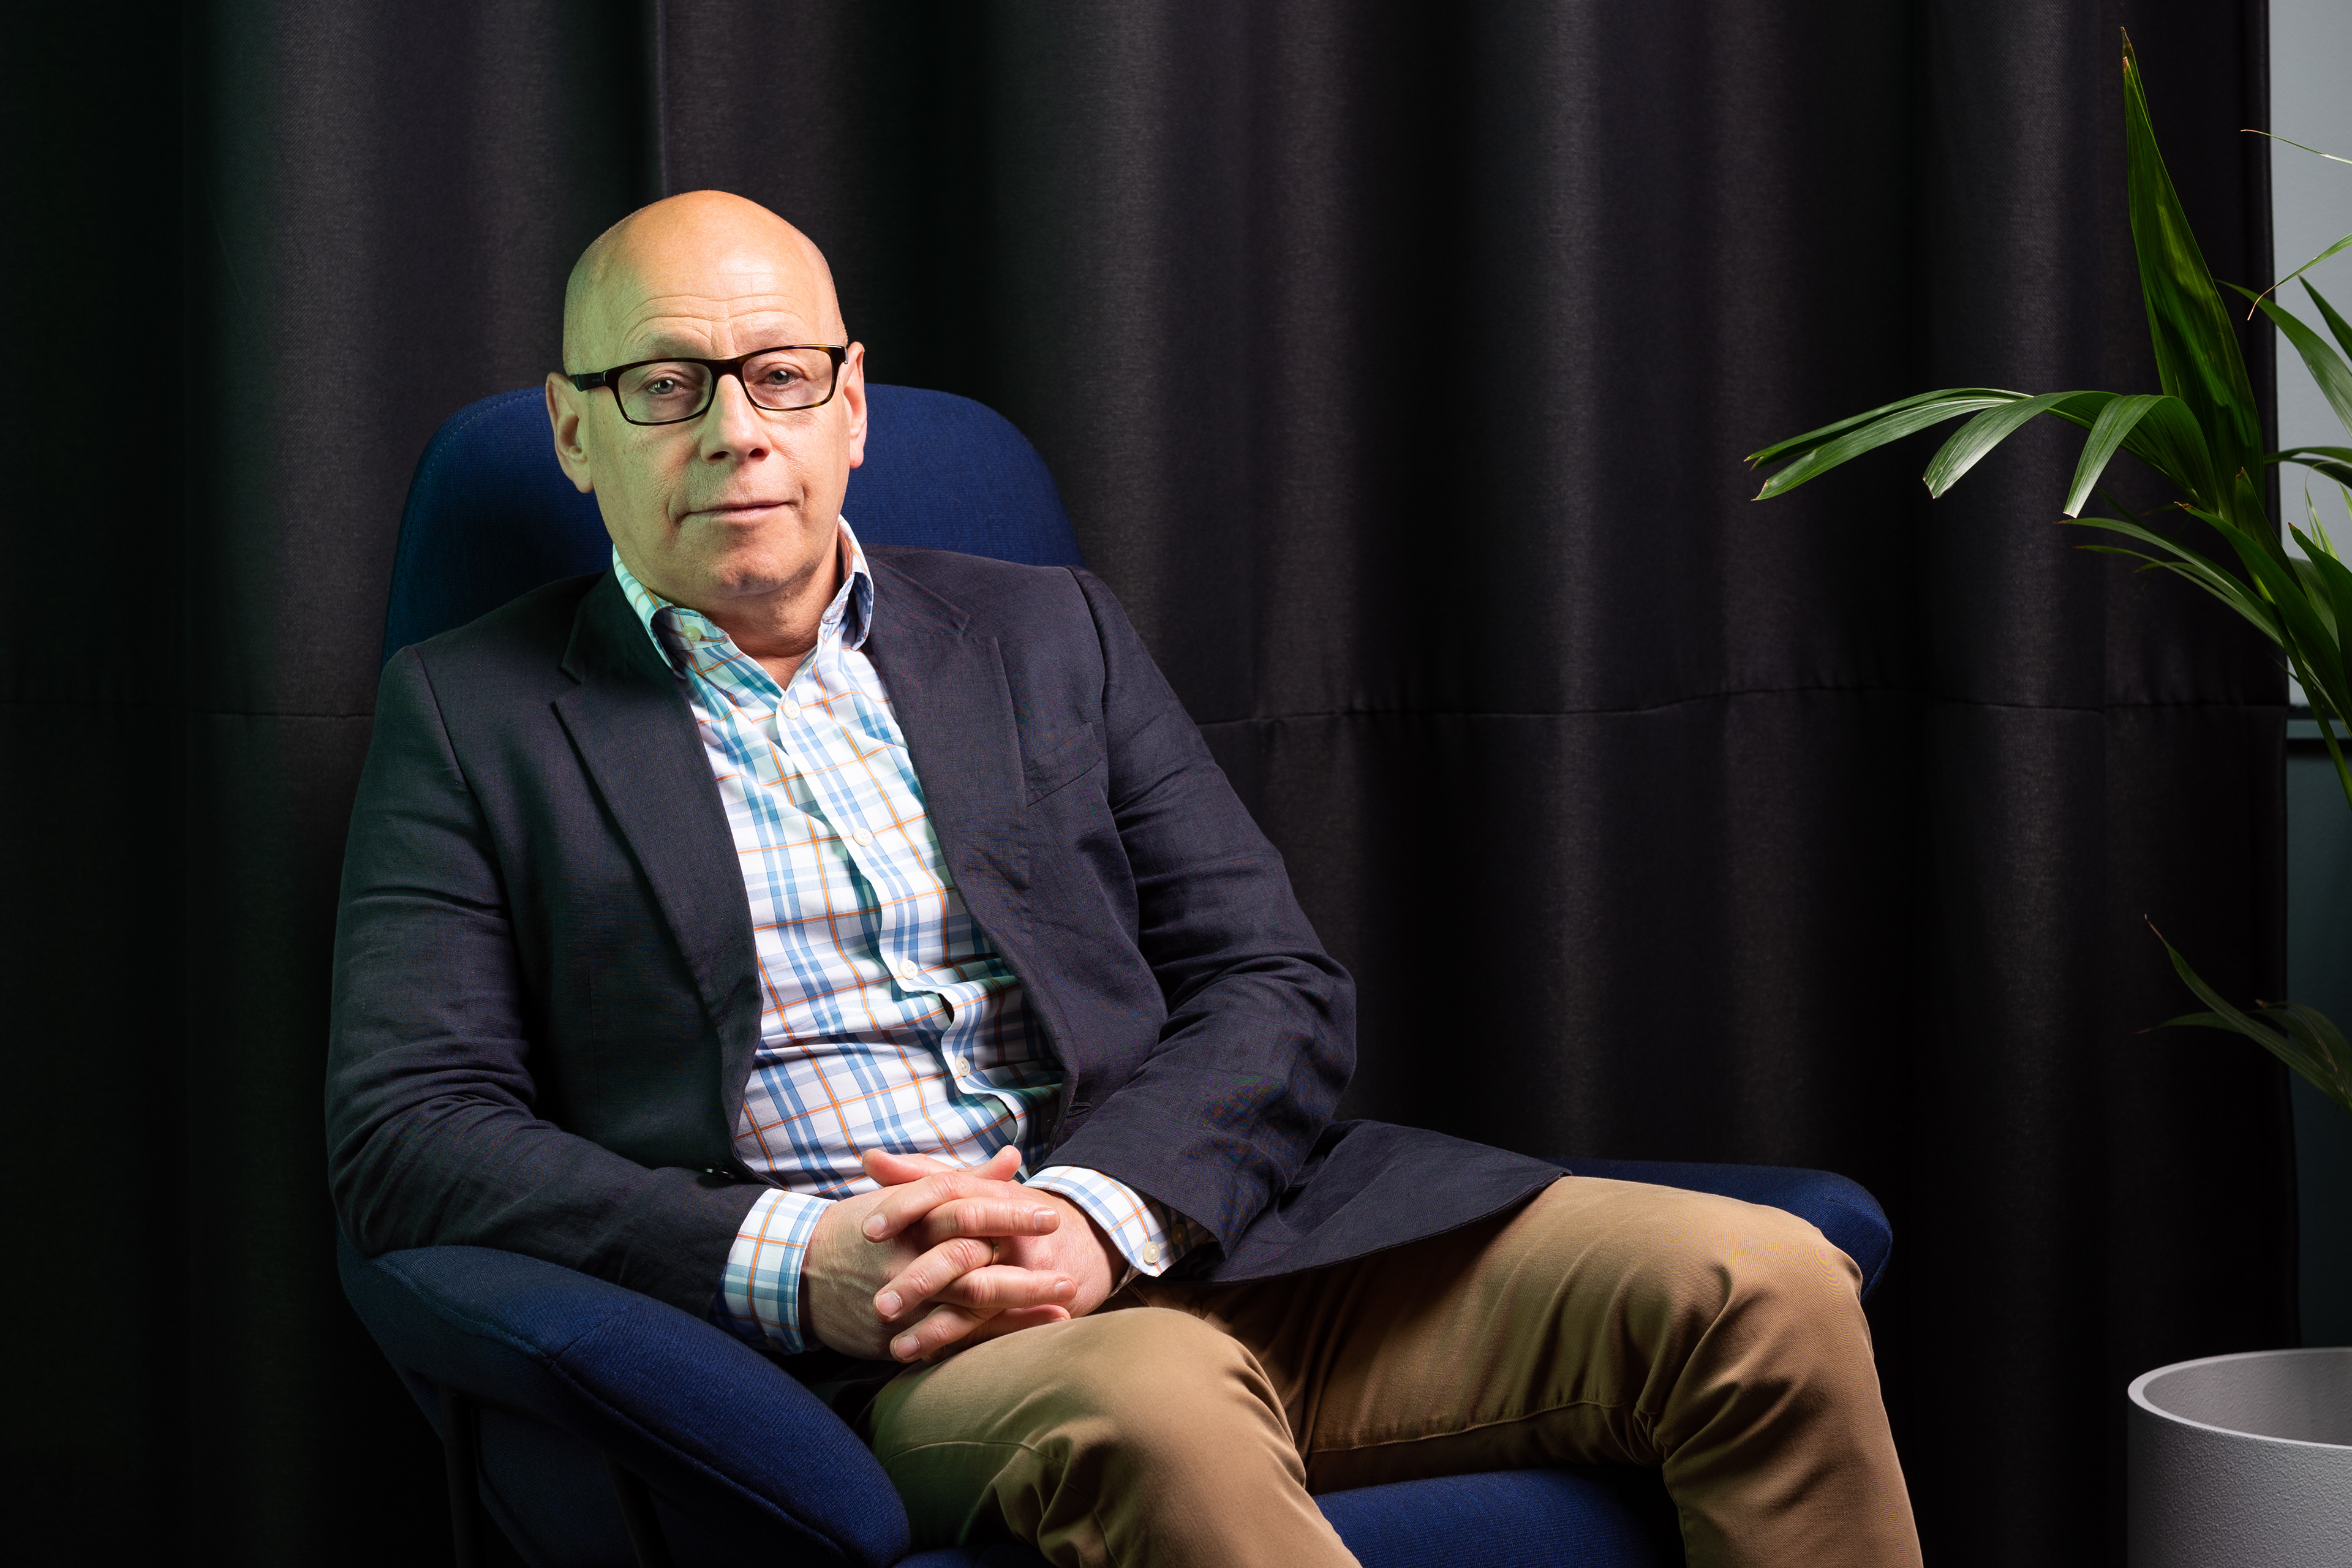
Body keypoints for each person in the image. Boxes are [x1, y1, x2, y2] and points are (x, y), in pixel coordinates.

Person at [326, 189, 1921, 1568]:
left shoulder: (1043, 631)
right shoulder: (475, 716)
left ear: (851, 406)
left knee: (1758, 1283)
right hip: (889, 1347)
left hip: (1197, 1240)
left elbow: (1270, 983)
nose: (737, 428)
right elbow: (412, 1137)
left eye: (781, 377)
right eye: (666, 384)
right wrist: (797, 1266)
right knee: (1164, 1405)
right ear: (573, 429)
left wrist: (1099, 1217)